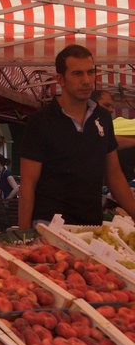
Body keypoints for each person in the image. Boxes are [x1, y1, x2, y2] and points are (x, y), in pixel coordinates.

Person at [17, 47, 135, 229]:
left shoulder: (102, 117)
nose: (86, 80)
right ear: (61, 79)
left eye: (90, 72)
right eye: (78, 73)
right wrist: (24, 236)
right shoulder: (40, 122)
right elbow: (27, 185)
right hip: (49, 227)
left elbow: (114, 175)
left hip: (90, 226)